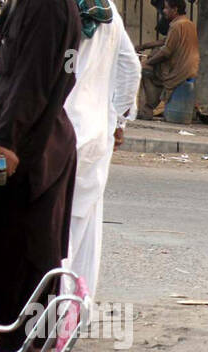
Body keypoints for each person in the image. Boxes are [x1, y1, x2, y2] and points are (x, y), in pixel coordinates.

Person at [0, 0, 82, 352]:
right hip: (34, 141)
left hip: (34, 148)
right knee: (15, 256)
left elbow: (34, 78)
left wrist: (6, 139)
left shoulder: (45, 5)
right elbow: (16, 75)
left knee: (20, 259)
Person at [63, 0, 139, 300]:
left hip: (64, 128)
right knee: (83, 224)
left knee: (57, 227)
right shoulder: (107, 11)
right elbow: (130, 68)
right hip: (97, 131)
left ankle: (57, 307)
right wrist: (118, 121)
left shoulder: (66, 9)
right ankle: (76, 309)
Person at [136, 0, 197, 121]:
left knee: (144, 69)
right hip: (188, 68)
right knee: (151, 60)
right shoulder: (187, 23)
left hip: (178, 71)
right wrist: (143, 46)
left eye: (166, 8)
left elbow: (166, 51)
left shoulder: (177, 26)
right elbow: (165, 41)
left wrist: (148, 61)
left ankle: (147, 108)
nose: (163, 11)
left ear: (175, 10)